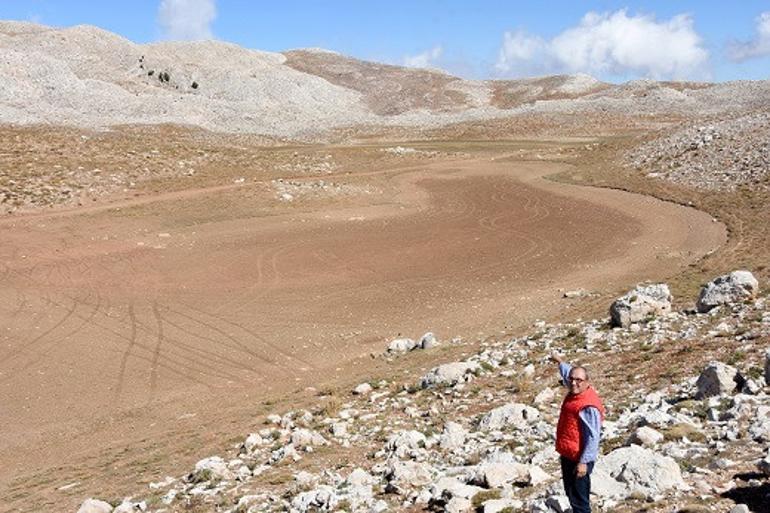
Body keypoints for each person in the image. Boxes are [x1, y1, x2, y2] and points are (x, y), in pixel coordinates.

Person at [550, 353, 605, 513]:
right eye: (571, 379)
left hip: (578, 458)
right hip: (568, 453)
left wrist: (584, 463)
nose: (573, 383)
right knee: (572, 494)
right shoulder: (576, 389)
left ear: (587, 382)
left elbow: (593, 437)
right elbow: (568, 372)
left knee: (580, 501)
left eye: (578, 380)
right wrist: (560, 361)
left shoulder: (588, 406)